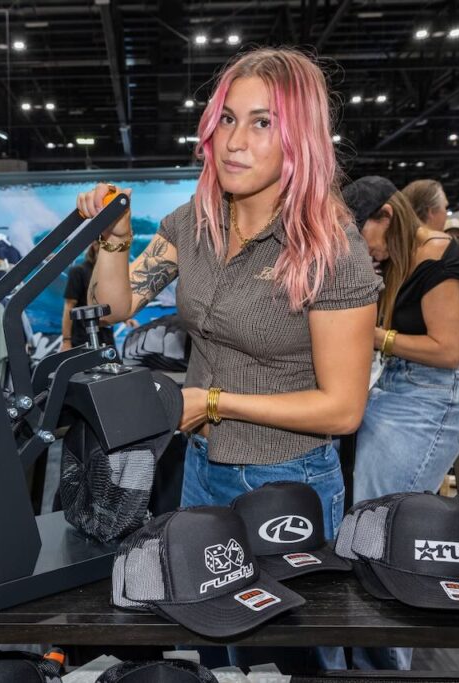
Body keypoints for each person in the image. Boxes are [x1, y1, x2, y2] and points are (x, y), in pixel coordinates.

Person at [78, 48, 379, 669]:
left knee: (297, 658)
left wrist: (211, 402)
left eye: (263, 123)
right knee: (214, 645)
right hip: (201, 469)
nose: (235, 142)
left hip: (287, 480)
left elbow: (344, 408)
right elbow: (114, 307)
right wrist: (111, 241)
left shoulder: (331, 248)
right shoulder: (192, 223)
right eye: (227, 120)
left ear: (300, 138)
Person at [345, 176, 459, 501]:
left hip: (432, 394)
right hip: (394, 385)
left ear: (387, 216)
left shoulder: (436, 255)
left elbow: (448, 351)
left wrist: (376, 337)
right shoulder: (401, 259)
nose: (361, 248)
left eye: (360, 235)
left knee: (378, 509)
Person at [61, 242, 116, 351]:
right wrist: (66, 341)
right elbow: (69, 307)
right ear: (94, 246)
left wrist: (125, 319)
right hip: (83, 339)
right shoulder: (78, 271)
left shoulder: (108, 273)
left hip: (107, 337)